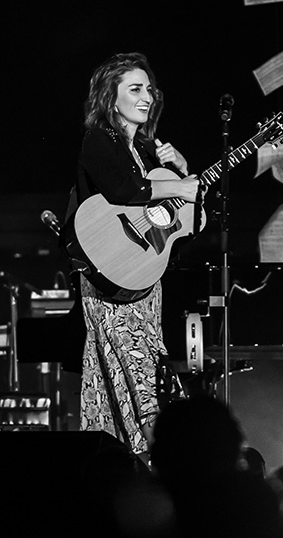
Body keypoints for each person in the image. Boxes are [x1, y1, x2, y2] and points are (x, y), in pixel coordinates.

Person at [64, 52, 200, 459]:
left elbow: (187, 220)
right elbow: (125, 190)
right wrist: (179, 188)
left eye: (150, 90)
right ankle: (155, 457)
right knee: (133, 372)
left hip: (142, 280)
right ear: (111, 96)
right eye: (135, 89)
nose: (147, 98)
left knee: (144, 371)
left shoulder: (145, 150)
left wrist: (182, 170)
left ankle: (137, 460)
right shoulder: (98, 140)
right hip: (109, 282)